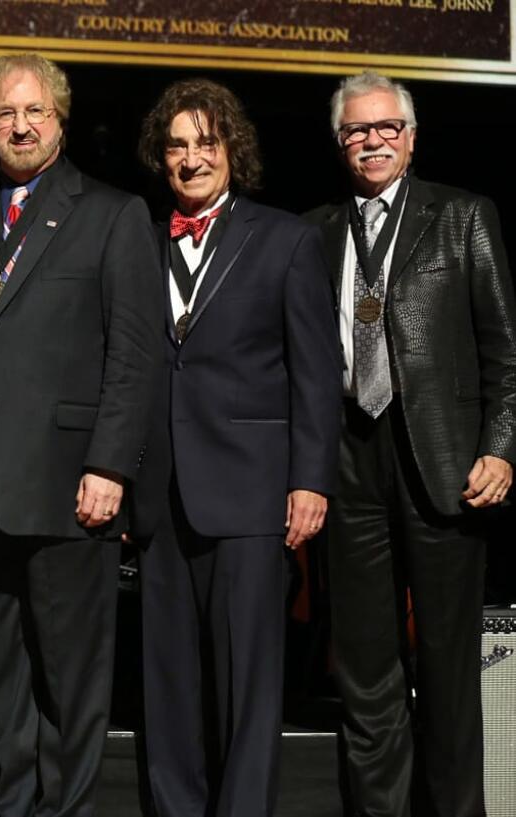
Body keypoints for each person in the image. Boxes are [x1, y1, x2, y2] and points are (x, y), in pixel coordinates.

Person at [0, 53, 163, 817]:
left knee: (71, 678)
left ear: (60, 119)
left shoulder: (111, 213)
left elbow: (134, 353)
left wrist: (111, 466)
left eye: (35, 112)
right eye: (4, 113)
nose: (20, 125)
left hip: (71, 485)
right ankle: (16, 804)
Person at [306, 71, 516, 817]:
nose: (372, 140)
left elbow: (506, 348)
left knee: (449, 667)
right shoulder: (317, 230)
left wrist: (501, 445)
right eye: (357, 130)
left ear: (412, 137)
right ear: (341, 144)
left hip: (444, 462)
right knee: (364, 670)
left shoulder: (463, 216)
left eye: (386, 127)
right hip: (347, 457)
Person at [131, 78, 340, 816]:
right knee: (168, 682)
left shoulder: (285, 239)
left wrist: (310, 480)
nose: (192, 159)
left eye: (206, 143)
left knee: (250, 684)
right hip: (160, 496)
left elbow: (317, 374)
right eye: (177, 145)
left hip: (253, 496)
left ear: (232, 151)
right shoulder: (137, 240)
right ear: (162, 158)